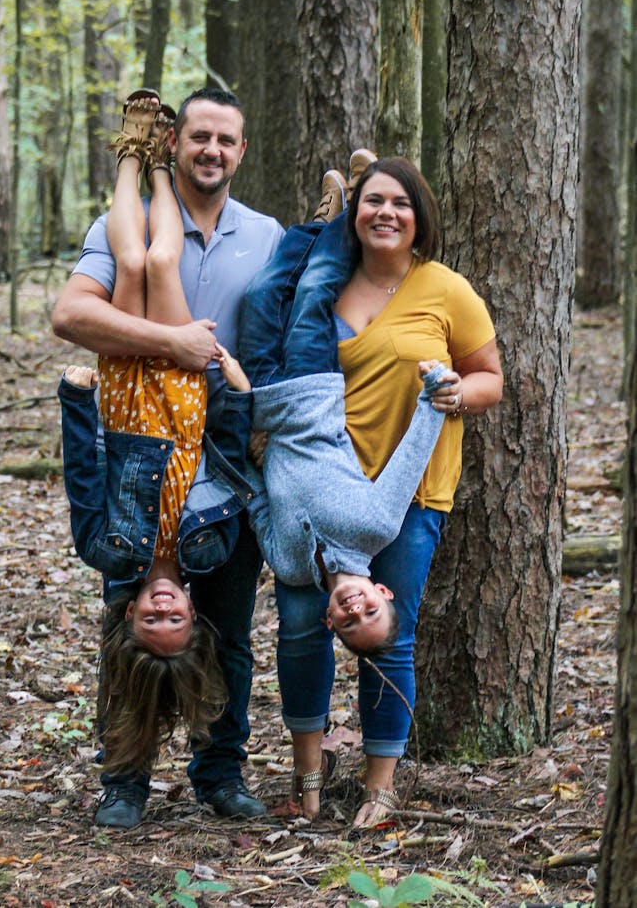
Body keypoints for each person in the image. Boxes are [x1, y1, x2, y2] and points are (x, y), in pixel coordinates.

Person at [243, 153, 503, 825]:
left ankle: (380, 783)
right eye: (373, 201)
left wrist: (451, 394)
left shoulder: (444, 288)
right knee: (302, 628)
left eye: (401, 205)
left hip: (411, 496)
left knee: (390, 634)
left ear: (420, 221)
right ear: (355, 214)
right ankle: (308, 772)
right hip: (324, 490)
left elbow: (489, 378)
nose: (386, 214)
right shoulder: (330, 280)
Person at [52, 87, 284, 827]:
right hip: (190, 408)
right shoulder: (132, 224)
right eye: (198, 137)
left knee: (231, 634)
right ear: (179, 142)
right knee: (128, 644)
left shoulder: (268, 234)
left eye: (227, 139)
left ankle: (221, 772)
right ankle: (124, 778)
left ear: (242, 150)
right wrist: (180, 348)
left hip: (208, 447)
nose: (213, 150)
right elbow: (70, 315)